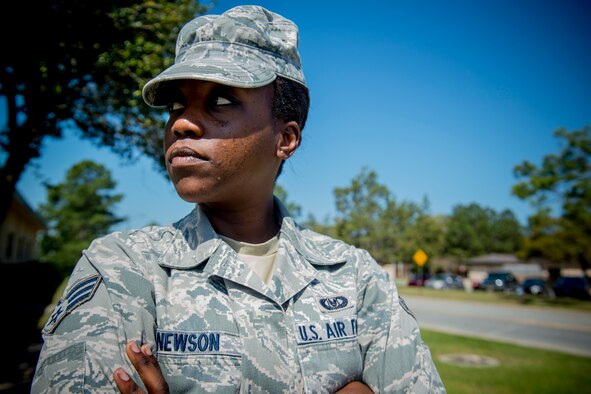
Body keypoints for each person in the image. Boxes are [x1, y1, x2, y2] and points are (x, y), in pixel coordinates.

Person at [31, 5, 445, 393]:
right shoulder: (123, 268)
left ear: (285, 138)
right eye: (177, 105)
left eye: (221, 102)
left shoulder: (354, 277)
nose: (183, 124)